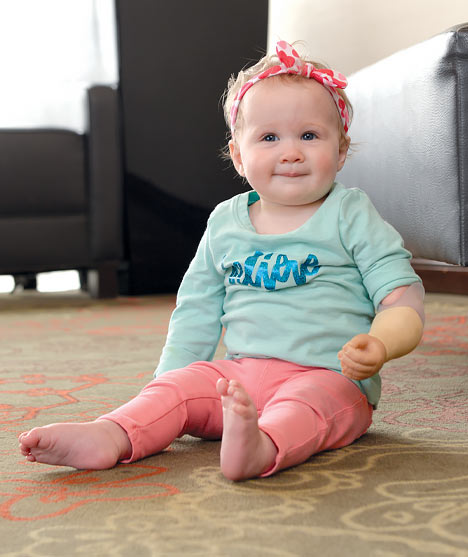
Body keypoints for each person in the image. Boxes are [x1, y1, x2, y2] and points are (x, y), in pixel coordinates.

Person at [19, 40, 425, 481]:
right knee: (179, 389)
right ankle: (111, 434)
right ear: (238, 155)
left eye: (309, 136)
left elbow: (401, 297)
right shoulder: (225, 222)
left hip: (328, 376)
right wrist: (168, 386)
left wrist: (381, 344)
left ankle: (261, 446)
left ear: (341, 150)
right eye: (269, 138)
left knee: (308, 409)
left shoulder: (350, 214)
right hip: (240, 374)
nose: (290, 152)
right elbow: (197, 309)